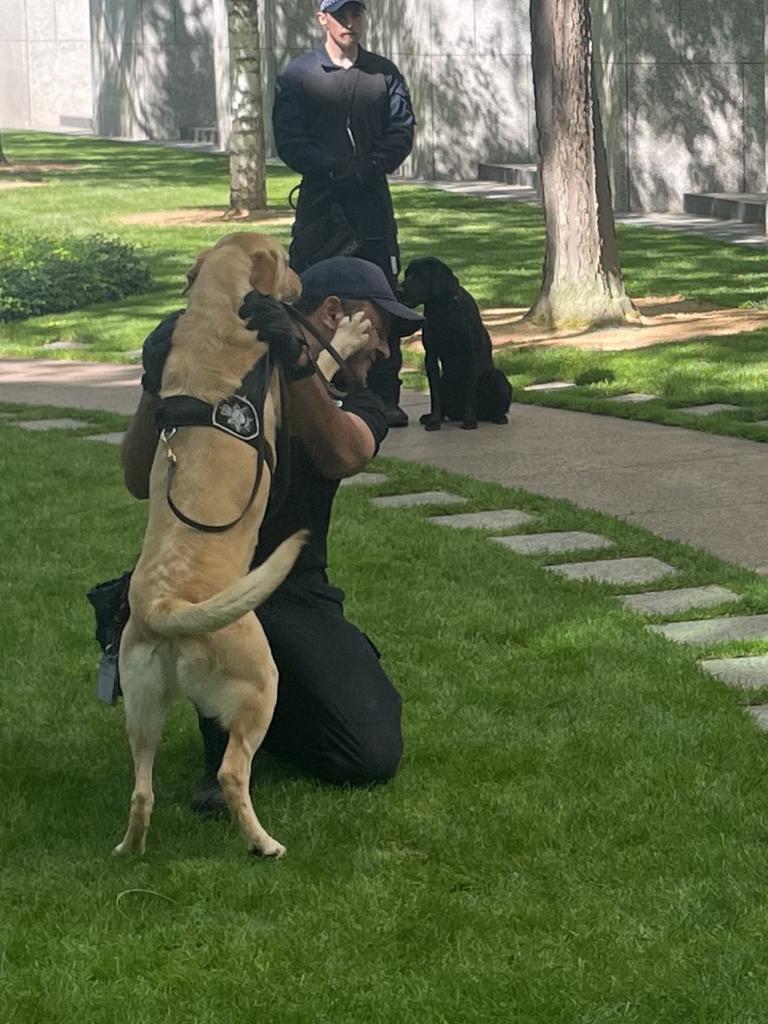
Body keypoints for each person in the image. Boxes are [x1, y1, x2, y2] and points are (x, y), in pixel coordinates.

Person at [120, 256, 424, 814]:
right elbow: (139, 479)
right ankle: (223, 744)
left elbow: (341, 453)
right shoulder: (230, 367)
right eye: (380, 331)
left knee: (369, 754)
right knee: (212, 615)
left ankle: (252, 705)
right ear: (334, 312)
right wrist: (152, 384)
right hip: (204, 578)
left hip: (292, 589)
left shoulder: (363, 397)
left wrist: (299, 364)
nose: (383, 350)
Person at [272, 0, 416, 427]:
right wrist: (332, 168)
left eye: (357, 14)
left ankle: (383, 396)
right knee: (310, 294)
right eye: (341, 15)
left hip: (371, 199)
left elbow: (401, 130)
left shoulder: (383, 73)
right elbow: (289, 139)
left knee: (382, 293)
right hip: (321, 201)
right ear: (323, 19)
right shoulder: (298, 76)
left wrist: (370, 167)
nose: (350, 23)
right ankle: (308, 388)